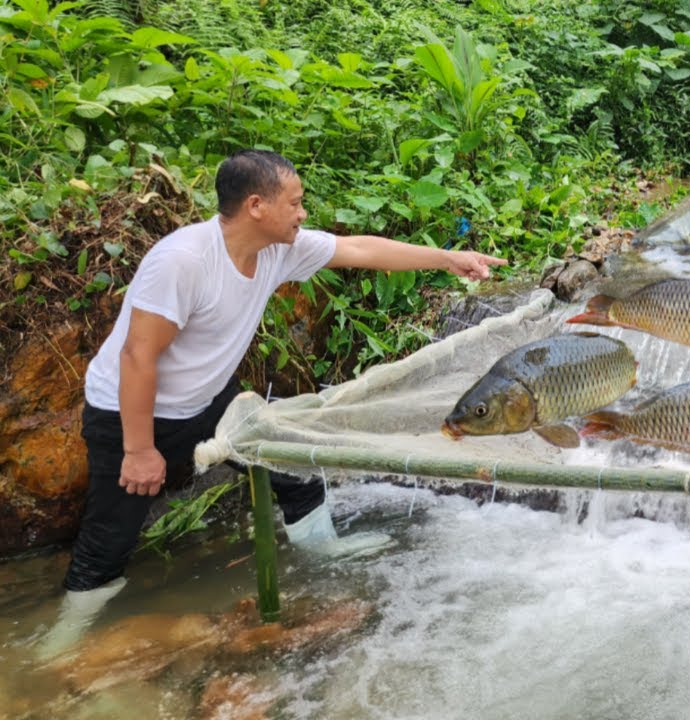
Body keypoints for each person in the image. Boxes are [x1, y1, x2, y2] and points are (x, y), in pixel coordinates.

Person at [36, 150, 507, 660]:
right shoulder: (185, 260)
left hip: (209, 396)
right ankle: (65, 634)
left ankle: (320, 549)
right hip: (128, 410)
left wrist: (446, 258)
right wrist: (138, 449)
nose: (303, 213)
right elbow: (137, 354)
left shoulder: (279, 249)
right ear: (256, 205)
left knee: (290, 458)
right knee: (109, 538)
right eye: (296, 202)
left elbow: (359, 249)